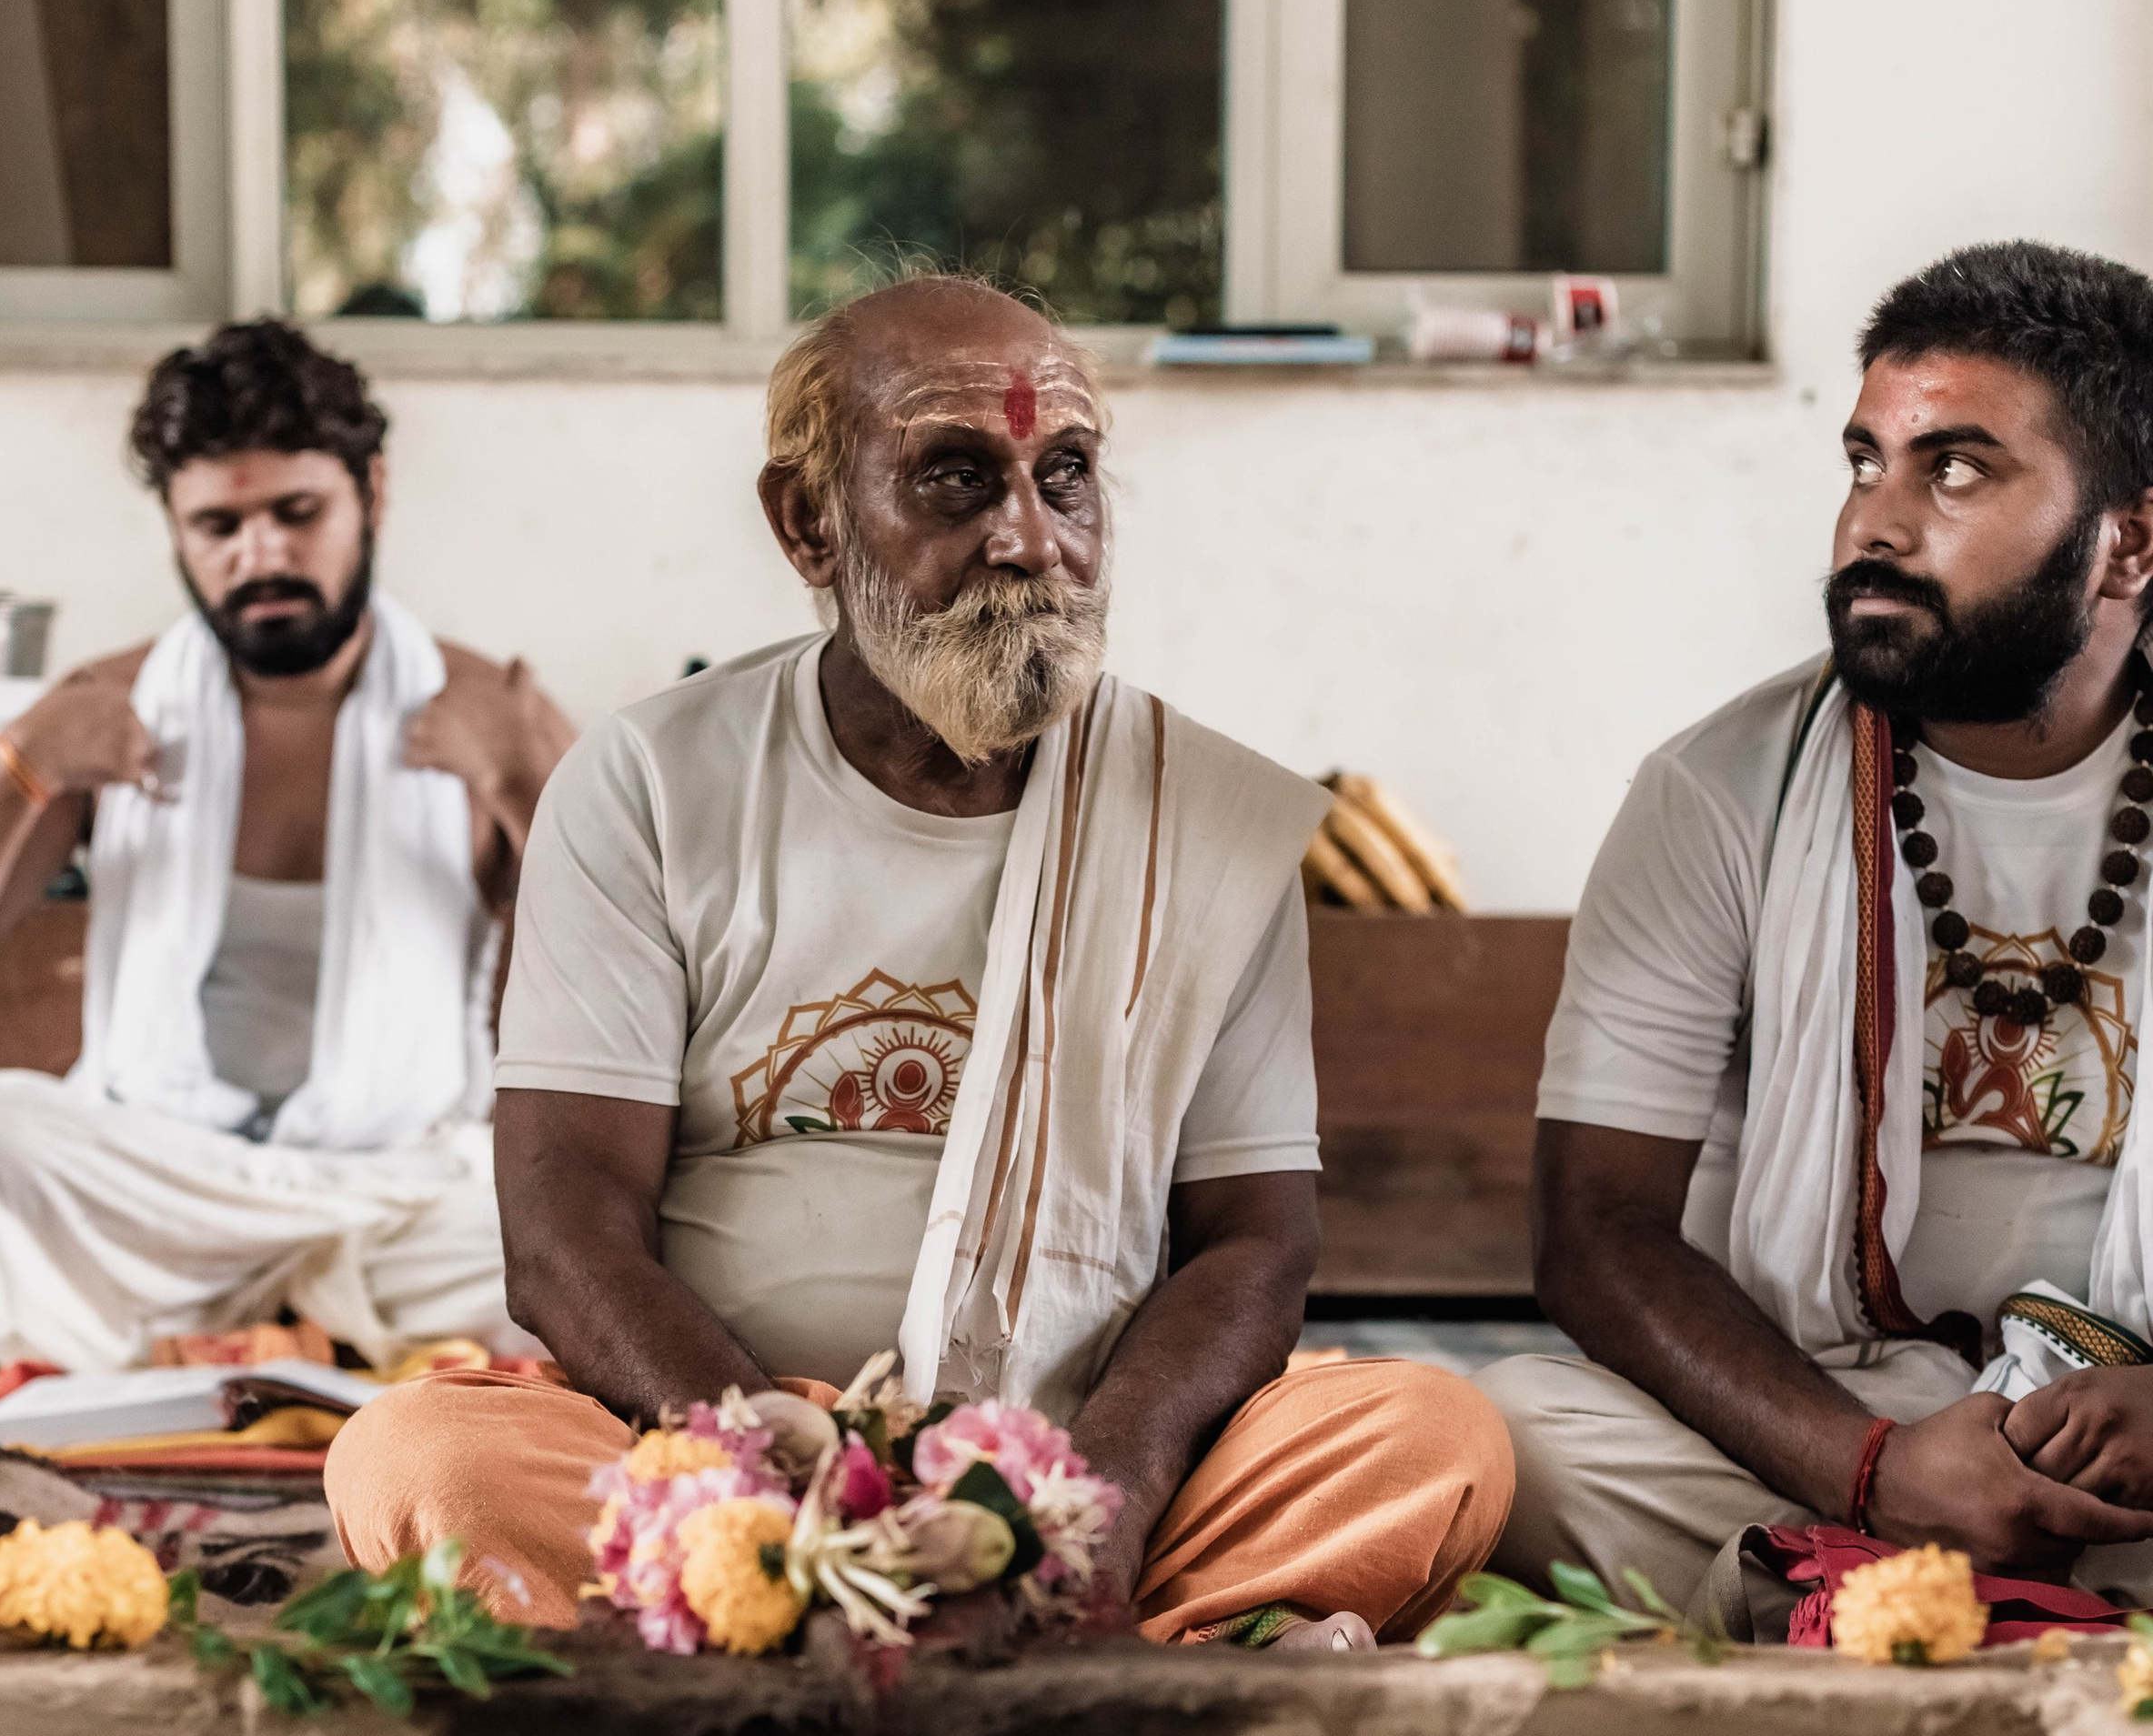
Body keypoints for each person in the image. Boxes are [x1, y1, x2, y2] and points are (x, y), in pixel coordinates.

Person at [327, 273, 1509, 1647]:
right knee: (417, 1461)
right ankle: (1076, 1668)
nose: (1029, 538)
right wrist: (768, 1464)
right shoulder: (650, 783)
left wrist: (1097, 1503)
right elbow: (564, 1223)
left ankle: (833, 1646)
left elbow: (1253, 1244)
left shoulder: (1206, 822)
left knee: (1434, 1438)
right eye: (954, 478)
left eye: (1064, 476)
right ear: (808, 523)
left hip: (1077, 1454)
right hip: (719, 1449)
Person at [1486, 238, 2153, 1614]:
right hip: (1831, 1425)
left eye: (1954, 471)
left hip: (2138, 1453)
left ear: (2129, 541)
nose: (1872, 526)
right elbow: (1597, 1228)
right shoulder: (1716, 793)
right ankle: (1950, 1602)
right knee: (1512, 1437)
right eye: (1866, 463)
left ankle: (1848, 1613)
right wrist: (1875, 1469)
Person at [0, 317, 574, 1383]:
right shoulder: (110, 709)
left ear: (370, 494)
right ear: (175, 529)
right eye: (219, 525)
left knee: (590, 1230)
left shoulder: (483, 711)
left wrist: (522, 784)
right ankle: (320, 1340)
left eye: (297, 513)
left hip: (400, 1192)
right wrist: (24, 761)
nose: (262, 555)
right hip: (164, 1179)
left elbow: (644, 975)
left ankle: (119, 1339)